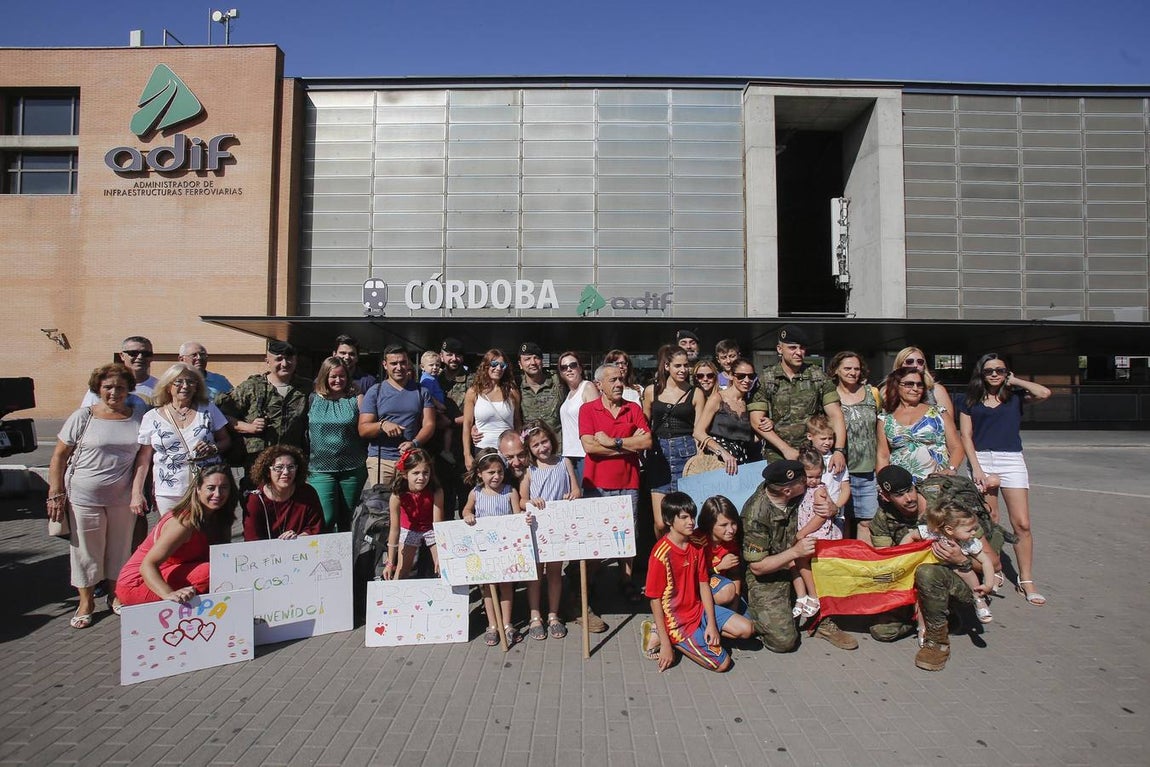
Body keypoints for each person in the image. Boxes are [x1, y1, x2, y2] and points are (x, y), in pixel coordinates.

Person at [48, 363, 148, 627]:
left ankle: (116, 594)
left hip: (122, 497)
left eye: (120, 387)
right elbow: (59, 456)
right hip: (83, 496)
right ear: (98, 388)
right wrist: (55, 492)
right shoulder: (83, 416)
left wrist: (138, 491)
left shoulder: (138, 416)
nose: (114, 392)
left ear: (129, 389)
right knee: (86, 551)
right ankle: (86, 601)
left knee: (120, 548)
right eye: (108, 387)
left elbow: (143, 457)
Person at [867, 465, 985, 671]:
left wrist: (960, 559)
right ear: (885, 497)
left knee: (927, 571)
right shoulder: (883, 518)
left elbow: (992, 563)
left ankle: (936, 641)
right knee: (883, 631)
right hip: (911, 586)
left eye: (910, 490)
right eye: (899, 495)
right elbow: (888, 562)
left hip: (962, 583)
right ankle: (933, 615)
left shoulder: (945, 507)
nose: (908, 498)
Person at [959, 353, 1052, 606]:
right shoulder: (969, 399)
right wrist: (977, 469)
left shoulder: (1015, 397)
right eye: (989, 370)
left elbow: (1044, 393)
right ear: (981, 373)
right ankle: (995, 567)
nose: (994, 375)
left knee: (1022, 523)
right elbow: (966, 436)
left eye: (1000, 370)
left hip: (1011, 460)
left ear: (1006, 372)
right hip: (981, 459)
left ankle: (1026, 579)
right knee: (990, 520)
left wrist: (1016, 381)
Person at [741, 460, 859, 652]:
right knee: (783, 641)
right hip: (771, 574)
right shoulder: (756, 514)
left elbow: (827, 506)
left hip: (805, 564)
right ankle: (751, 613)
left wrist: (834, 509)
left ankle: (823, 623)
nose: (807, 481)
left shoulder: (803, 492)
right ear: (787, 491)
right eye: (802, 480)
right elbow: (757, 567)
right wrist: (795, 552)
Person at [641, 492, 754, 672]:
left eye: (692, 517)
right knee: (723, 664)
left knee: (747, 629)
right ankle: (670, 639)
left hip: (698, 609)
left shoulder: (697, 545)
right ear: (669, 520)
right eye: (684, 517)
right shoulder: (660, 554)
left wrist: (712, 624)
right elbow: (654, 600)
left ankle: (701, 633)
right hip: (678, 622)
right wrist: (666, 645)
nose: (691, 522)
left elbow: (703, 584)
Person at [580, 363, 652, 602]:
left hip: (628, 482)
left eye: (621, 379)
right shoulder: (588, 410)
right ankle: (589, 583)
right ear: (599, 385)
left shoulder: (633, 408)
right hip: (597, 483)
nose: (619, 384)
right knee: (596, 536)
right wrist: (629, 444)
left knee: (627, 534)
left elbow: (647, 442)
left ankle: (626, 580)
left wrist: (613, 442)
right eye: (613, 380)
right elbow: (590, 447)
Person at [115, 465, 238, 606]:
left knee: (225, 566)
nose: (217, 494)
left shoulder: (219, 517)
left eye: (224, 488)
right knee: (209, 572)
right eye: (211, 488)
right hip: (139, 582)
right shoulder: (184, 522)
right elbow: (147, 565)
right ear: (198, 489)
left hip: (169, 572)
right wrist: (168, 594)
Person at [748, 325, 848, 475]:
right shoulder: (766, 379)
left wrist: (839, 450)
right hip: (777, 455)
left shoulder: (817, 376)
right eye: (792, 348)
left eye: (802, 348)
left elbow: (835, 415)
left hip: (813, 455)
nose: (799, 352)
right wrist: (786, 449)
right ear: (780, 349)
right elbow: (756, 420)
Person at [132, 364, 229, 514]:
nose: (185, 386)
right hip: (168, 490)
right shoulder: (151, 417)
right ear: (168, 386)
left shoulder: (208, 409)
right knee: (171, 528)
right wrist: (137, 493)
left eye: (191, 382)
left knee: (205, 528)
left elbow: (226, 440)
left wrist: (213, 448)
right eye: (178, 382)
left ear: (197, 386)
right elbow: (144, 458)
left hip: (205, 487)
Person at [519, 419, 579, 640]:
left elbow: (576, 490)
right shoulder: (529, 470)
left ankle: (553, 614)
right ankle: (535, 615)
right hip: (536, 529)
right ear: (529, 448)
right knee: (535, 574)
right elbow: (521, 500)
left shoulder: (564, 462)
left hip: (558, 528)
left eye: (544, 442)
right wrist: (531, 501)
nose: (542, 447)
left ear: (552, 440)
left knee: (554, 572)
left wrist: (572, 495)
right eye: (535, 445)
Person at [217, 340, 311, 481]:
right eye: (279, 359)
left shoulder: (306, 388)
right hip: (257, 460)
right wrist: (248, 427)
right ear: (267, 361)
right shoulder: (252, 387)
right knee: (255, 492)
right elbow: (221, 415)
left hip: (291, 461)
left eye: (289, 359)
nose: (285, 363)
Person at [462, 449, 525, 647]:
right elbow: (466, 509)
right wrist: (467, 515)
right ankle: (492, 625)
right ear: (480, 473)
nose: (496, 476)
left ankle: (506, 623)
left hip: (505, 549)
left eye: (499, 472)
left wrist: (523, 519)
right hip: (485, 551)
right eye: (491, 472)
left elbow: (517, 515)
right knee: (488, 588)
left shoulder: (510, 491)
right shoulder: (476, 493)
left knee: (506, 587)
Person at [642, 345, 705, 536]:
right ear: (667, 366)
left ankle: (684, 553)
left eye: (686, 365)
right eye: (678, 365)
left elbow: (699, 430)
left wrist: (700, 458)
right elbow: (643, 423)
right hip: (658, 453)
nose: (683, 370)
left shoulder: (696, 393)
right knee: (661, 522)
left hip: (686, 451)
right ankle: (663, 552)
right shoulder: (651, 391)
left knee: (686, 517)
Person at [358, 344, 436, 489]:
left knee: (410, 503)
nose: (399, 367)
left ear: (409, 363)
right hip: (381, 460)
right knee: (381, 503)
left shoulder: (421, 391)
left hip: (412, 461)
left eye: (403, 362)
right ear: (385, 365)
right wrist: (382, 425)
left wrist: (415, 443)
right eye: (394, 363)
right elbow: (363, 429)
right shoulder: (375, 391)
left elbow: (429, 424)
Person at [906, 502, 997, 625]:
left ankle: (978, 599)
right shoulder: (932, 533)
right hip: (930, 572)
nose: (974, 533)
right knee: (921, 595)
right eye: (969, 530)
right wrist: (902, 553)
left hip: (954, 575)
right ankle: (922, 625)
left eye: (974, 529)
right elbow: (911, 535)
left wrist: (988, 584)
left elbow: (986, 561)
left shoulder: (968, 543)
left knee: (964, 570)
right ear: (949, 529)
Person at [307, 356, 367, 533]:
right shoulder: (312, 399)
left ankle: (347, 551)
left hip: (352, 469)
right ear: (324, 376)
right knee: (325, 518)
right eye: (333, 376)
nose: (338, 380)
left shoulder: (356, 399)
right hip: (320, 469)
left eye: (342, 376)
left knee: (348, 520)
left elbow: (367, 425)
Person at [829, 351, 882, 543]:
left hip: (868, 469)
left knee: (867, 521)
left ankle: (864, 558)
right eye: (847, 368)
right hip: (839, 470)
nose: (853, 372)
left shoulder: (872, 393)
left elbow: (881, 426)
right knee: (842, 521)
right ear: (836, 370)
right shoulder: (828, 395)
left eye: (857, 369)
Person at [877, 366, 961, 482]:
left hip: (937, 483)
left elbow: (956, 446)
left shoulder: (939, 413)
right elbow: (883, 456)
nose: (915, 388)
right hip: (902, 486)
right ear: (896, 386)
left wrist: (951, 469)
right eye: (909, 384)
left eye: (919, 384)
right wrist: (883, 484)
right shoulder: (885, 419)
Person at [791, 445, 846, 620]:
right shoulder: (801, 489)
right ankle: (801, 596)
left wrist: (801, 533)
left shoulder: (819, 491)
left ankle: (813, 595)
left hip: (818, 534)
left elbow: (821, 517)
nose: (814, 481)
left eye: (818, 476)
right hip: (807, 532)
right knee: (792, 561)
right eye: (810, 477)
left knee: (800, 559)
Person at [693, 357, 763, 473]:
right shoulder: (718, 398)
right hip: (718, 462)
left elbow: (750, 438)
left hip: (743, 461)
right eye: (741, 376)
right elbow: (698, 432)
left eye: (751, 376)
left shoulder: (750, 403)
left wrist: (768, 425)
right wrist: (722, 453)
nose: (747, 380)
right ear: (731, 376)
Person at [382, 448, 443, 580]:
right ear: (405, 474)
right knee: (402, 570)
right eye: (416, 473)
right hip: (409, 529)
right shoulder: (397, 495)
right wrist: (390, 562)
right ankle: (396, 591)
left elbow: (438, 525)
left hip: (431, 529)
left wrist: (442, 555)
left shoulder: (436, 491)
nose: (421, 477)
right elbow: (394, 530)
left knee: (443, 567)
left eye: (425, 472)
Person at [242, 445, 324, 541]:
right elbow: (252, 538)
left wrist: (298, 538)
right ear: (268, 471)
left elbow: (316, 528)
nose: (286, 472)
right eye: (279, 467)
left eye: (291, 467)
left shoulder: (307, 493)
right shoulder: (255, 500)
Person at [462, 348, 522, 469]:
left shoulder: (512, 392)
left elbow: (517, 421)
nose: (498, 368)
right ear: (486, 365)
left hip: (508, 452)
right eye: (494, 364)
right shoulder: (473, 392)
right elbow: (467, 424)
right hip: (482, 450)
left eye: (502, 365)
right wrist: (467, 455)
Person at [436, 337, 472, 514]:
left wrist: (451, 421)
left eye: (458, 355)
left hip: (464, 448)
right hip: (438, 449)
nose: (454, 358)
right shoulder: (433, 379)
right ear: (441, 356)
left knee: (467, 501)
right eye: (449, 354)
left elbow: (478, 413)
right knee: (443, 502)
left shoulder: (472, 380)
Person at [693, 495, 744, 607]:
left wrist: (734, 609)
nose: (731, 530)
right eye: (724, 525)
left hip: (726, 588)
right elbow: (690, 578)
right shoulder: (696, 542)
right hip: (700, 590)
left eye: (733, 523)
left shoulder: (732, 541)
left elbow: (735, 575)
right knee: (725, 592)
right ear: (710, 524)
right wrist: (718, 568)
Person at [557, 351, 598, 486]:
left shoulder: (588, 387)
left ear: (580, 368)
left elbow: (597, 420)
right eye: (564, 367)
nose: (569, 369)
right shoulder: (568, 394)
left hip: (584, 454)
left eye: (573, 365)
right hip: (569, 455)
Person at [892, 347, 957, 432]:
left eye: (920, 362)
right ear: (899, 365)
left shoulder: (936, 390)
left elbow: (950, 428)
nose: (915, 365)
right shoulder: (886, 392)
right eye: (909, 361)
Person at [83, 335, 157, 407]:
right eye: (133, 353)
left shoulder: (160, 388)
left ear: (152, 357)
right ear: (122, 356)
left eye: (146, 354)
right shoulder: (102, 386)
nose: (140, 357)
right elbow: (88, 413)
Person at [517, 341, 564, 438]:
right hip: (531, 444)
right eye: (527, 359)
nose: (533, 362)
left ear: (542, 361)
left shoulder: (557, 381)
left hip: (558, 444)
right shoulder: (516, 386)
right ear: (520, 364)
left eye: (536, 358)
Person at [418, 350, 455, 459]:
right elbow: (428, 396)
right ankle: (446, 451)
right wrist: (439, 406)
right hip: (434, 409)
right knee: (448, 425)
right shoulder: (427, 380)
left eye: (437, 365)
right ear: (422, 367)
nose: (435, 368)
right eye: (431, 365)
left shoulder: (433, 378)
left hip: (437, 409)